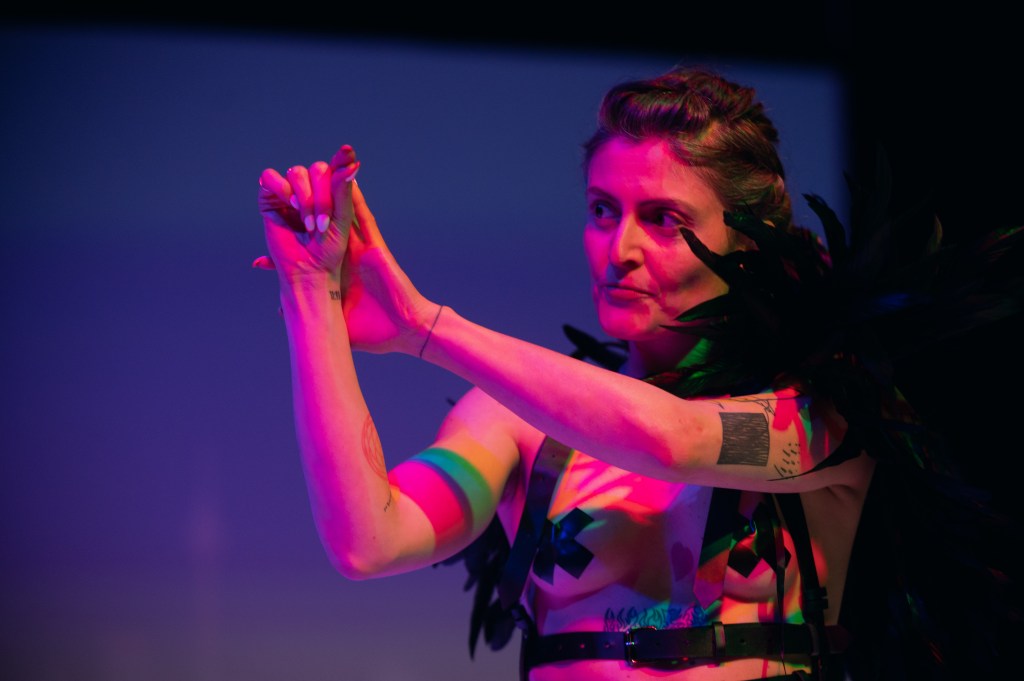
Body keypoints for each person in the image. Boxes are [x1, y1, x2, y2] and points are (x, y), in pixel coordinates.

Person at [253, 65, 1020, 680]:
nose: (619, 249)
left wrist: (425, 327)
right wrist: (310, 295)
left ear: (751, 239)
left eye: (663, 219)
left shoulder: (821, 410)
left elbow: (674, 438)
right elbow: (369, 540)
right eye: (601, 210)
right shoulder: (511, 421)